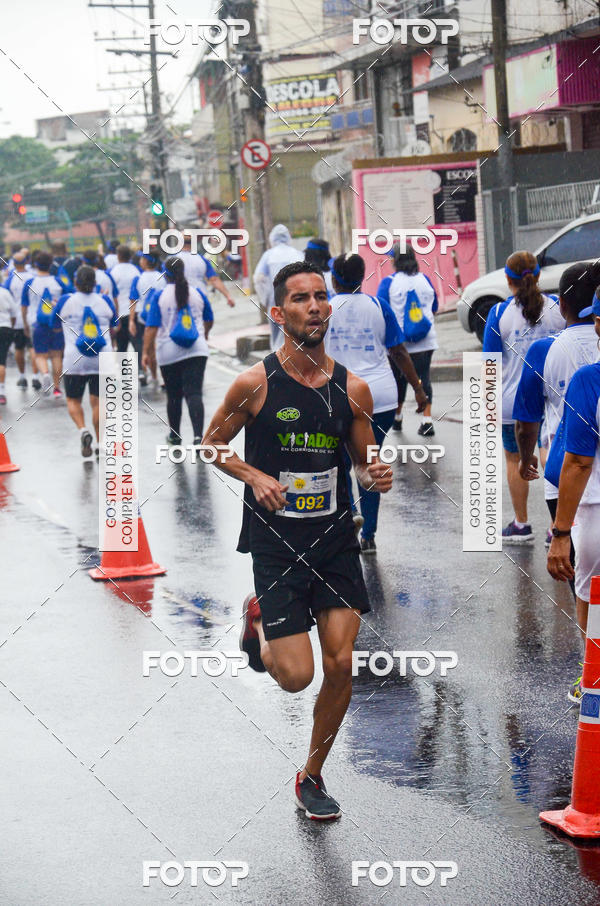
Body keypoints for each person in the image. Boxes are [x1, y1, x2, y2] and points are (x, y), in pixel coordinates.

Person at [202, 261, 392, 820]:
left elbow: (363, 464)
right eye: (300, 299)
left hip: (333, 540)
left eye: (320, 297)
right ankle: (257, 620)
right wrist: (254, 475)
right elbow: (211, 444)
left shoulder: (352, 390)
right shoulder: (254, 384)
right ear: (279, 313)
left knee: (339, 663)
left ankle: (311, 774)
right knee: (295, 676)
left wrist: (375, 472)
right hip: (277, 545)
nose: (314, 306)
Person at [325, 252, 428, 553]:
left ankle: (347, 520)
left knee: (339, 461)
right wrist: (418, 390)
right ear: (361, 277)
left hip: (339, 393)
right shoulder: (378, 306)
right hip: (379, 397)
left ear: (334, 279)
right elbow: (399, 352)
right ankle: (368, 533)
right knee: (371, 460)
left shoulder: (325, 309)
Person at [514, 261, 599, 567]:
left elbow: (526, 424)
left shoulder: (544, 351)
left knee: (585, 582)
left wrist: (525, 459)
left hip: (567, 483)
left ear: (561, 305)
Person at [483, 249, 566, 542]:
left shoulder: (497, 314)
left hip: (512, 402)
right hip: (554, 396)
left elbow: (489, 367)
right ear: (539, 275)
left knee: (514, 458)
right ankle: (558, 525)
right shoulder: (558, 307)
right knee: (552, 452)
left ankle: (521, 524)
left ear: (508, 279)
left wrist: (488, 407)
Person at [547, 287, 600, 704]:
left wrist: (560, 531)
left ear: (597, 323)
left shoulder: (589, 381)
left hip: (596, 510)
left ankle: (593, 681)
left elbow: (578, 462)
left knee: (591, 595)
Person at [142, 257, 210, 444]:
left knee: (174, 395)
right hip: (197, 349)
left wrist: (146, 352)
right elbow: (209, 318)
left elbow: (151, 327)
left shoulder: (159, 296)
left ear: (165, 274)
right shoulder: (197, 293)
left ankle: (175, 435)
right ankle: (198, 437)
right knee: (194, 393)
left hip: (168, 352)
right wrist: (205, 334)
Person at [53, 265, 118, 458]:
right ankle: (100, 444)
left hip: (75, 360)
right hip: (102, 358)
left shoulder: (66, 301)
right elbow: (115, 324)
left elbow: (54, 327)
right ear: (95, 283)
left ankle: (83, 431)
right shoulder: (105, 299)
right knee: (100, 402)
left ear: (75, 282)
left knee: (73, 400)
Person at [377, 244, 439, 437]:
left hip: (400, 343)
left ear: (396, 260)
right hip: (426, 340)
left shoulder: (388, 283)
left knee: (398, 380)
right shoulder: (425, 279)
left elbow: (381, 310)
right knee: (424, 378)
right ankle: (427, 420)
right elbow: (435, 306)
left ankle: (397, 418)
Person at [21, 251, 65, 396]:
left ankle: (45, 373)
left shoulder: (30, 283)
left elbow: (24, 306)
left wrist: (25, 324)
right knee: (57, 355)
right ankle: (57, 388)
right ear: (50, 264)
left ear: (35, 264)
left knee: (40, 354)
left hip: (36, 323)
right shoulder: (58, 282)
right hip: (56, 323)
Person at [253, 224, 303, 349]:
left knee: (276, 337)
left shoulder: (268, 256)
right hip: (296, 302)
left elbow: (258, 278)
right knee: (295, 335)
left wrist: (265, 298)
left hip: (275, 302)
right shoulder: (297, 254)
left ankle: (278, 364)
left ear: (272, 239)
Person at [4, 249, 40, 389]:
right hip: (32, 318)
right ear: (26, 262)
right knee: (33, 348)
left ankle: (22, 376)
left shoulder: (10, 279)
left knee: (19, 348)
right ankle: (36, 377)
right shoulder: (33, 276)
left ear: (14, 263)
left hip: (17, 319)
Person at [129, 252, 167, 385]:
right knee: (160, 346)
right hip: (161, 316)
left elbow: (133, 301)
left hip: (143, 318)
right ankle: (163, 377)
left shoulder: (138, 279)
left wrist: (131, 321)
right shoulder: (163, 277)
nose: (140, 261)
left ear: (145, 261)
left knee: (150, 347)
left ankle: (155, 375)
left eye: (142, 258)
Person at [175, 234, 235, 307]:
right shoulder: (201, 260)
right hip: (200, 297)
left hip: (179, 299)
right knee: (206, 318)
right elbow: (214, 280)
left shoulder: (171, 260)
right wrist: (228, 296)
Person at [108, 245, 141, 354]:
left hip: (120, 313)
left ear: (118, 256)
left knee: (122, 348)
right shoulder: (136, 271)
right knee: (137, 345)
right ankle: (140, 369)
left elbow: (113, 295)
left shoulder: (113, 272)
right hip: (134, 312)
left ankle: (124, 370)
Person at [0, 283, 16, 404]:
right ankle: (2, 392)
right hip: (5, 327)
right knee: (2, 360)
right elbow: (14, 313)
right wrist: (11, 326)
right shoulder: (5, 293)